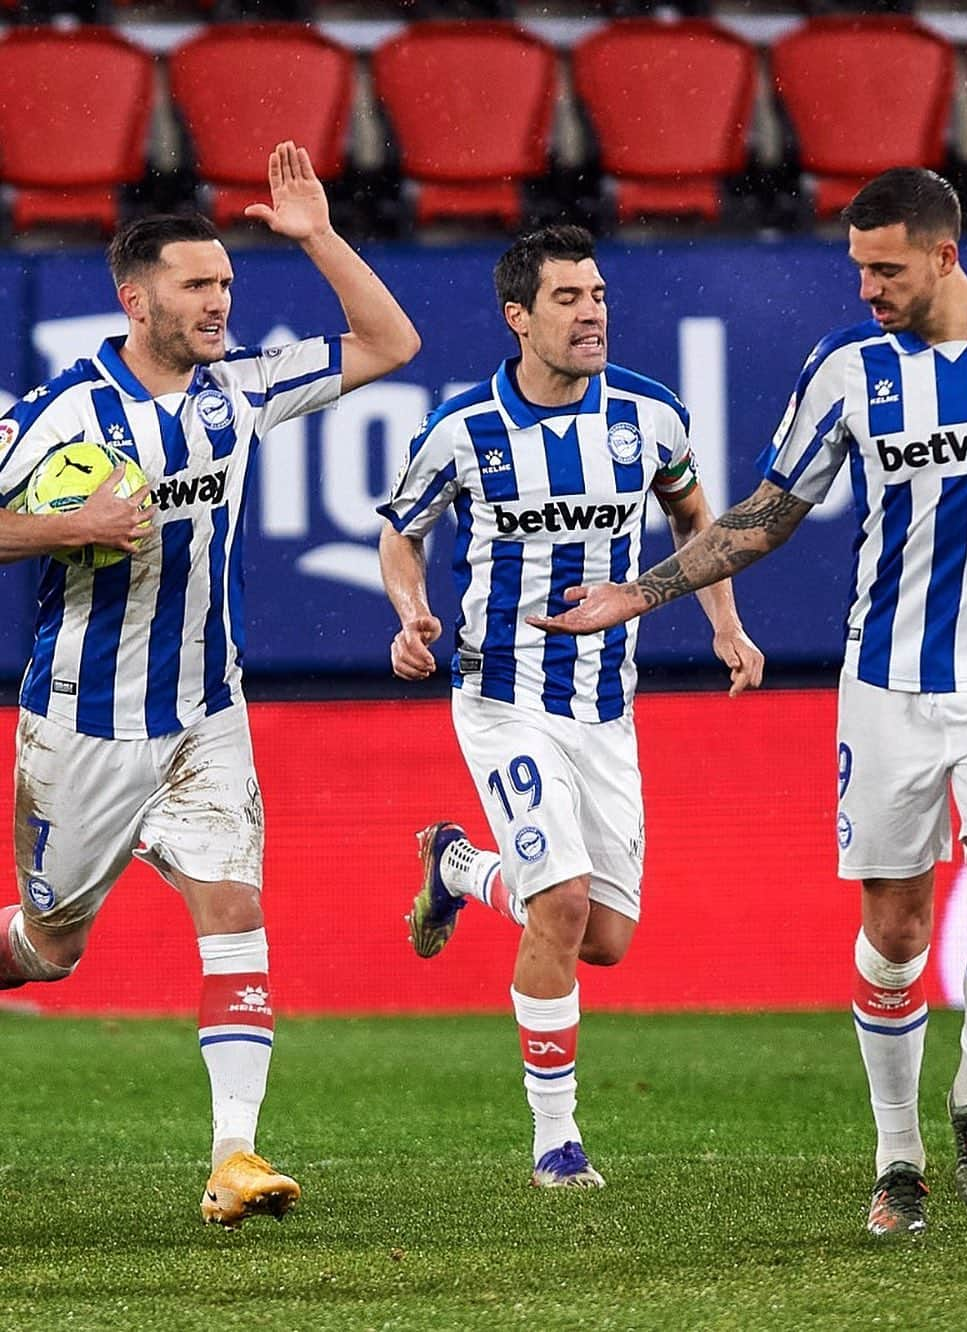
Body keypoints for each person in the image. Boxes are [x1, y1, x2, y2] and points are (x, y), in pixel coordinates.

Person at [529, 168, 967, 1236]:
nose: (866, 286)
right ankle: (897, 1156)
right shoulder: (848, 370)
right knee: (896, 928)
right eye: (858, 266)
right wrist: (639, 592)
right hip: (883, 689)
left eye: (886, 268)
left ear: (945, 256)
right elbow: (768, 515)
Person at [0, 141, 420, 1229]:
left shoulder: (241, 390)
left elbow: (391, 342)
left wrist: (317, 235)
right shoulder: (63, 413)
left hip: (206, 712)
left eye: (228, 281)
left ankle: (234, 1158)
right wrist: (71, 527)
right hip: (83, 726)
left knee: (235, 908)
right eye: (198, 284)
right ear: (135, 299)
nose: (221, 300)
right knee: (49, 951)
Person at [378, 224, 763, 1188]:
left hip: (605, 709)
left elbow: (691, 520)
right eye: (567, 298)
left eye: (596, 295)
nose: (592, 312)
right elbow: (400, 534)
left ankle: (459, 866)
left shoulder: (649, 414)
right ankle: (556, 1142)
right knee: (560, 899)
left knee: (605, 939)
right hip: (502, 698)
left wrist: (724, 621)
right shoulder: (462, 429)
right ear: (517, 316)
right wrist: (412, 611)